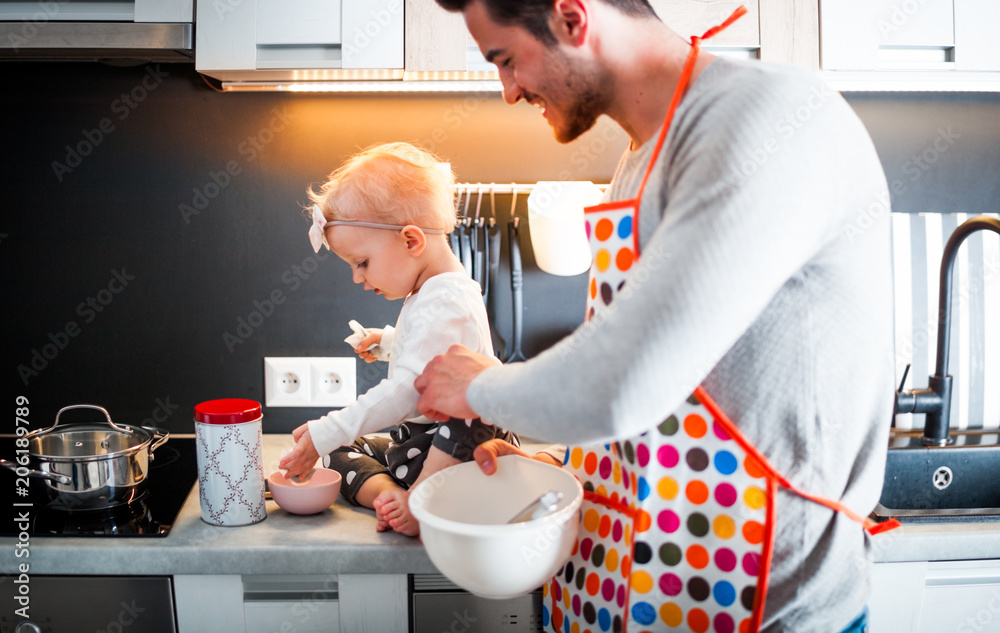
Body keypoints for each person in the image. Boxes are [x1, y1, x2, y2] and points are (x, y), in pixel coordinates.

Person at [415, 0, 894, 631]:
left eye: (505, 60)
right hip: (654, 588)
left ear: (570, 16)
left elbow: (623, 384)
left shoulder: (766, 118)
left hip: (767, 605)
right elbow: (670, 391)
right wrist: (564, 467)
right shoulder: (639, 159)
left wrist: (478, 386)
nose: (508, 91)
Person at [279, 142, 519, 537]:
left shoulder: (444, 300)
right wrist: (391, 343)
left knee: (463, 413)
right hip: (418, 447)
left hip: (457, 455)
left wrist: (328, 428)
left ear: (411, 241)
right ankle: (391, 495)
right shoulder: (435, 292)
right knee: (339, 452)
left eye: (362, 263)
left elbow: (407, 391)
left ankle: (423, 499)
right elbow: (433, 355)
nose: (358, 278)